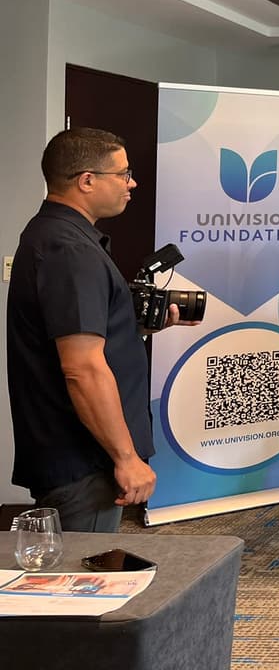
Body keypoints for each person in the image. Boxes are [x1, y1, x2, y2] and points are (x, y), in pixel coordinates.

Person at [7, 128, 189, 533]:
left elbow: (77, 335)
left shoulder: (57, 236)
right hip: (83, 461)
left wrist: (135, 326)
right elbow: (82, 369)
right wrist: (126, 457)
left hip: (77, 454)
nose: (132, 183)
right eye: (124, 174)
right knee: (77, 585)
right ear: (87, 180)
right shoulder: (70, 250)